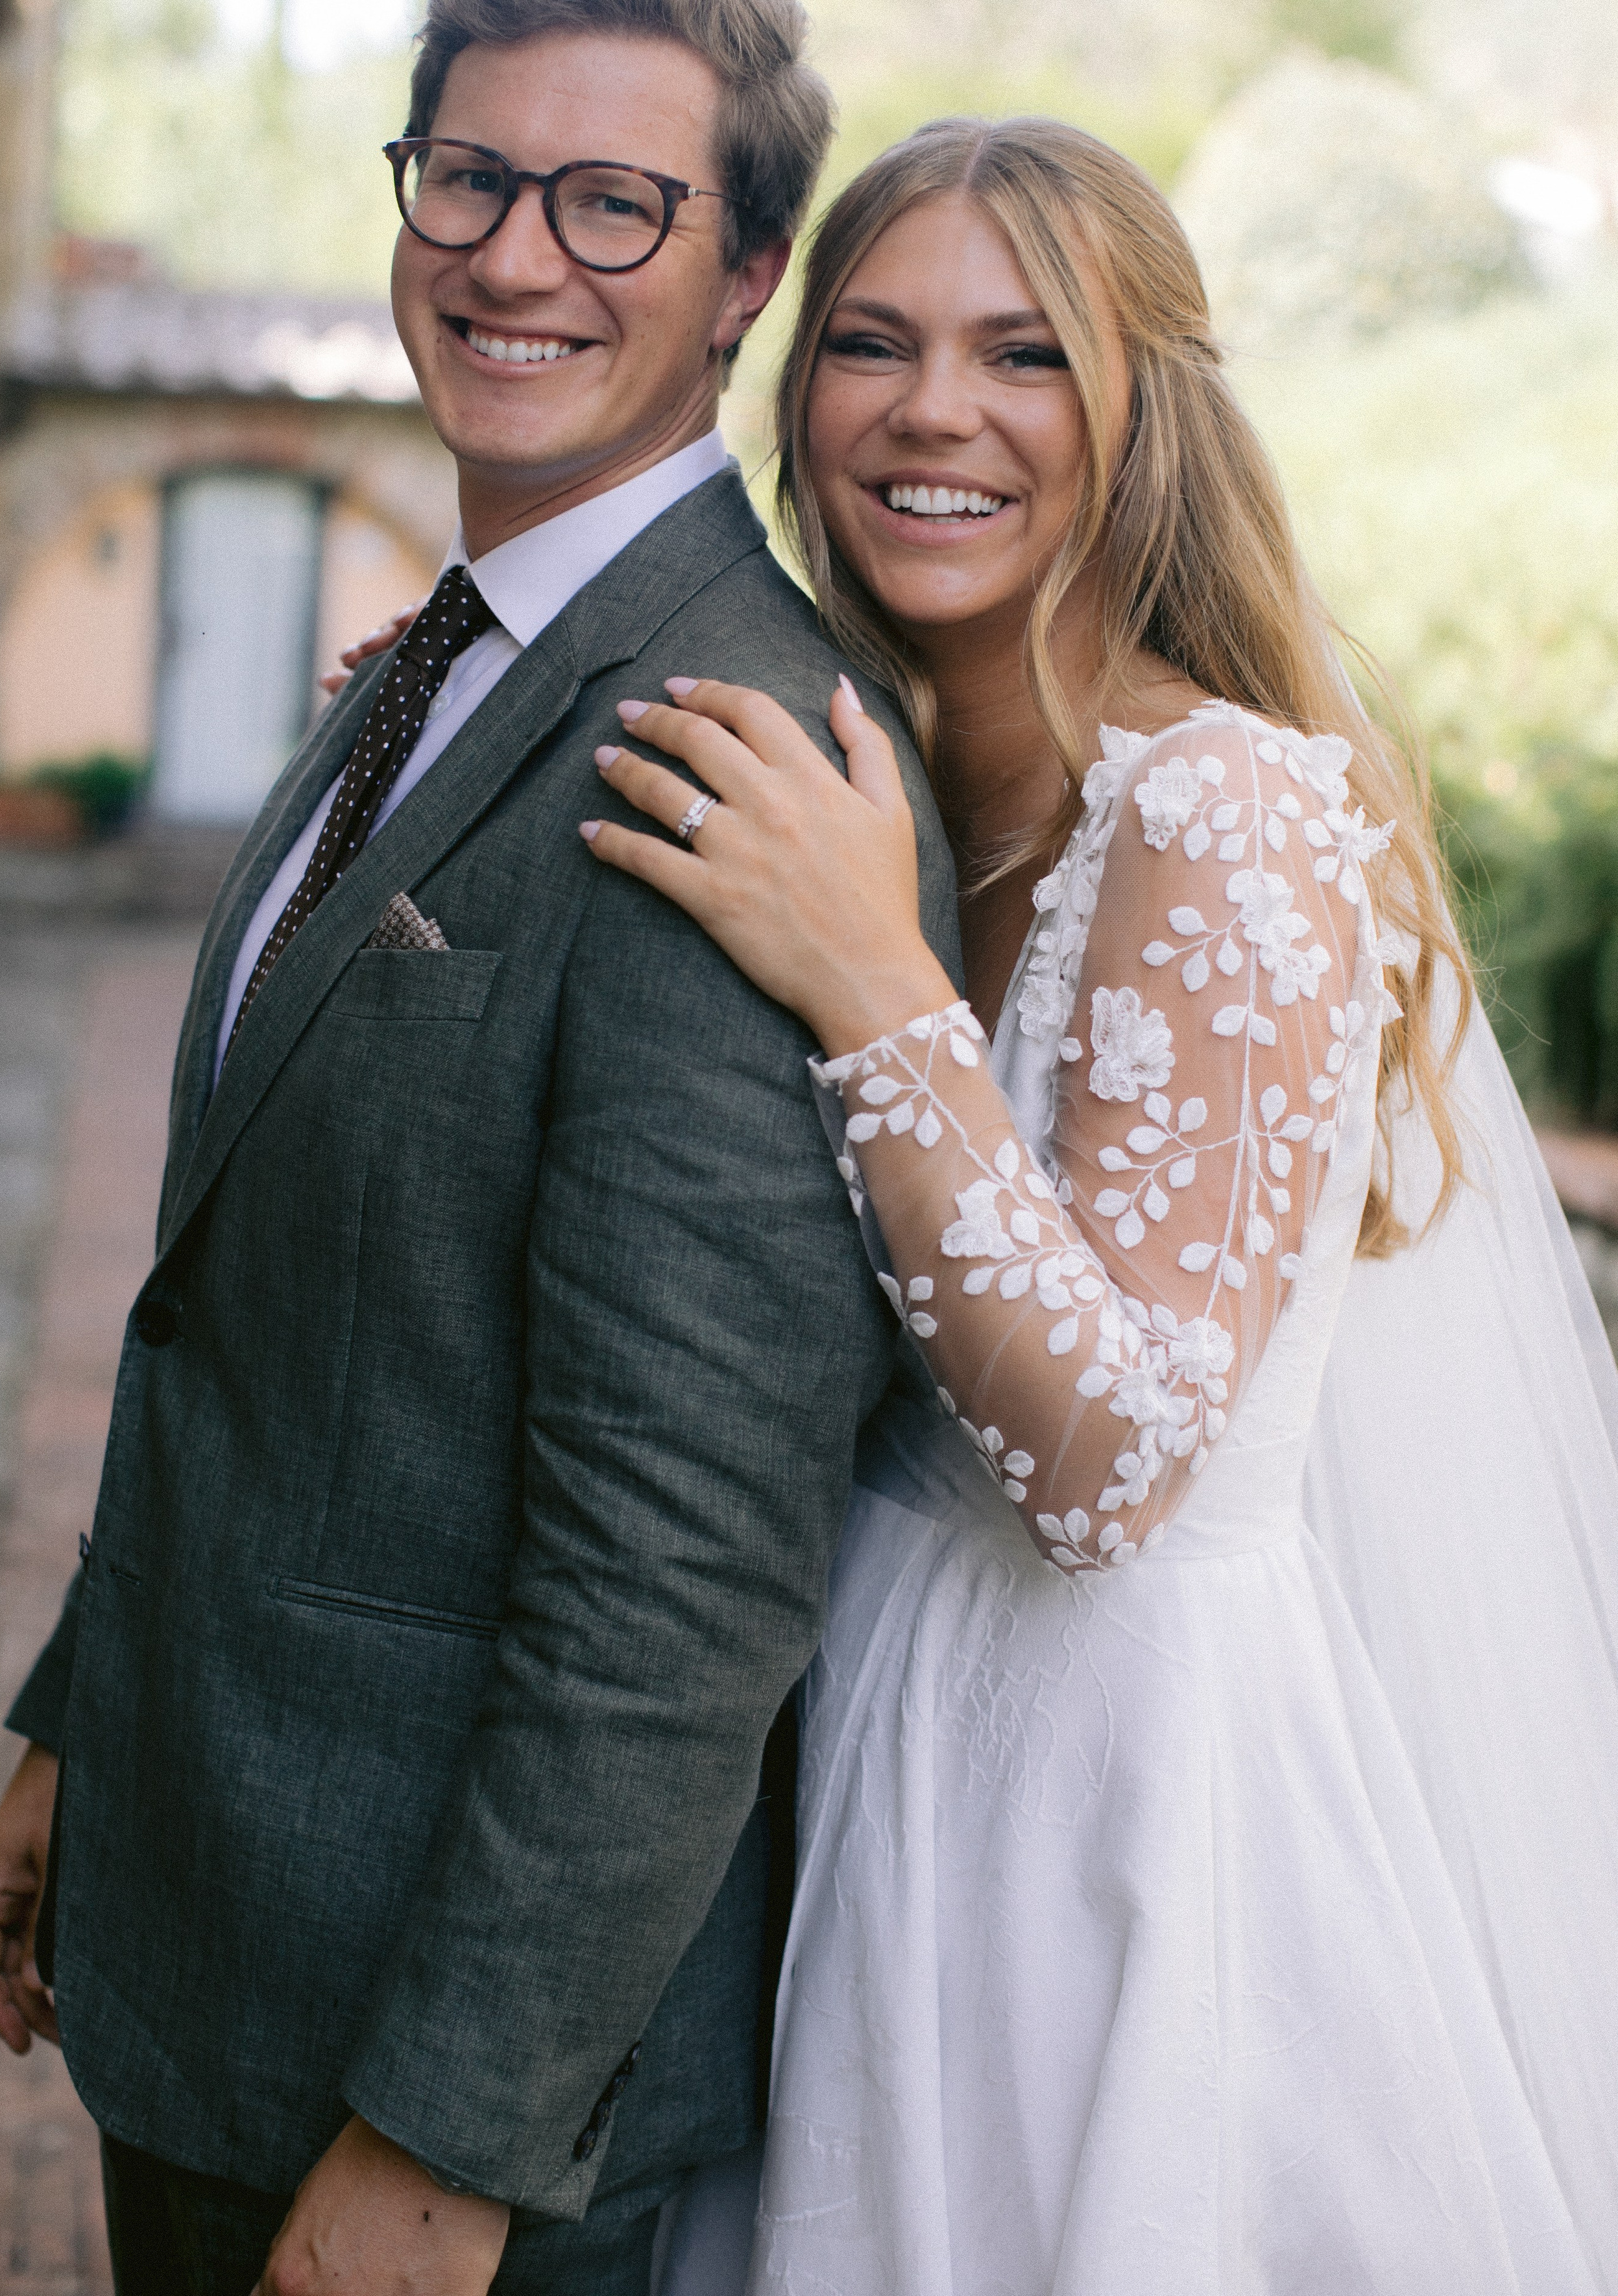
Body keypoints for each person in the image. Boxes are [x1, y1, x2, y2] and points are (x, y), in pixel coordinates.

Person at [0, 0, 957, 2296]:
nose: (519, 255)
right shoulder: (439, 655)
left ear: (744, 284)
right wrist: (82, 1730)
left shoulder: (731, 752)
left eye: (616, 203)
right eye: (467, 178)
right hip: (216, 1932)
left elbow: (684, 1573)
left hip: (415, 2089)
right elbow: (262, 1315)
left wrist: (450, 2140)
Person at [580, 117, 1618, 2291]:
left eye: (1023, 353)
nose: (933, 408)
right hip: (859, 1746)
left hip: (1119, 1814)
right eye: (869, 344)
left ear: (1143, 413)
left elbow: (1116, 1460)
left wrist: (875, 985)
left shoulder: (1221, 802)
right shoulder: (879, 769)